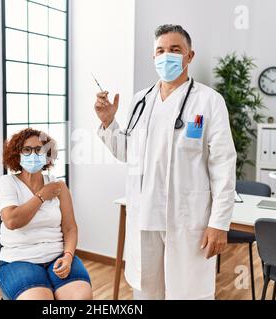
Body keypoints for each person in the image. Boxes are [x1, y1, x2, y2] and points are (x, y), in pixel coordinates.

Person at [94, 24, 237, 299]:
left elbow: (223, 166)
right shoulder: (140, 101)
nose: (166, 56)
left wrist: (219, 223)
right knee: (146, 292)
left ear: (189, 56)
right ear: (153, 56)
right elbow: (127, 153)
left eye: (175, 50)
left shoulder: (209, 101)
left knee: (186, 292)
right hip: (144, 216)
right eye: (160, 50)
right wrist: (109, 122)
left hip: (186, 219)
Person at [0, 128, 93, 300]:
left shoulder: (59, 187)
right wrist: (42, 196)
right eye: (27, 150)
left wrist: (68, 256)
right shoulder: (7, 183)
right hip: (19, 260)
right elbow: (12, 221)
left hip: (57, 256)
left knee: (81, 297)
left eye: (38, 149)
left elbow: (70, 228)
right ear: (17, 154)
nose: (33, 154)